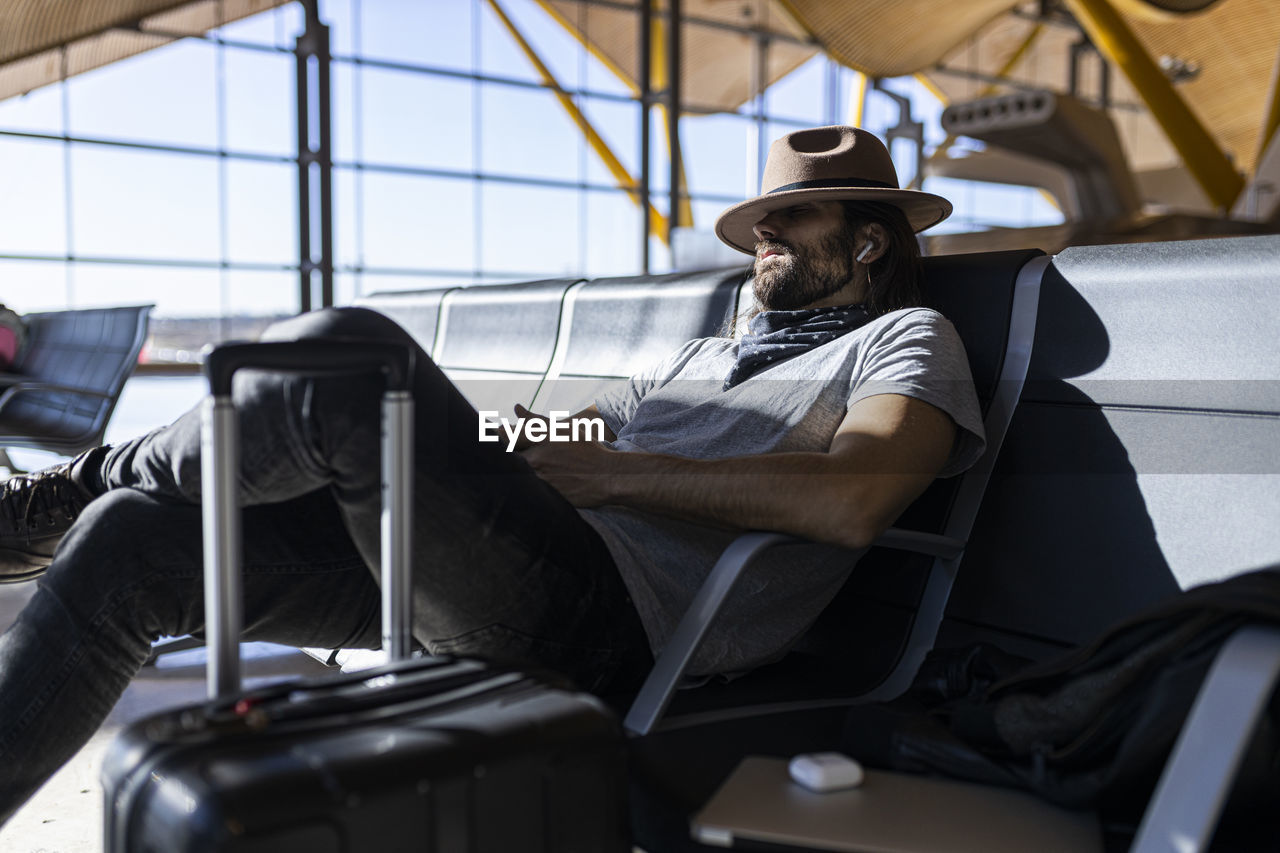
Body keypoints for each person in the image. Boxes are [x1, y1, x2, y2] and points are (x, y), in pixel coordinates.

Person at [0, 126, 984, 822]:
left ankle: (43, 501)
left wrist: (616, 476)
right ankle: (77, 500)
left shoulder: (906, 339)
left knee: (346, 354)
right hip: (514, 565)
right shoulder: (706, 350)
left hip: (617, 622)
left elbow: (853, 498)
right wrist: (486, 439)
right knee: (134, 537)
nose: (762, 233)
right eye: (761, 217)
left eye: (791, 216)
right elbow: (590, 431)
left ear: (862, 240)